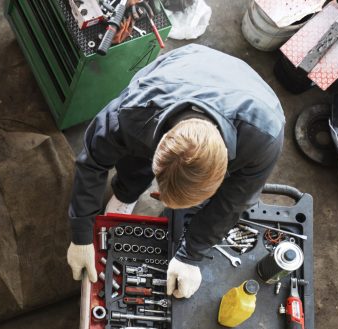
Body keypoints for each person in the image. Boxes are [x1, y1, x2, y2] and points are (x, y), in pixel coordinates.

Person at [66, 44, 285, 298]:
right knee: (133, 161)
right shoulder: (133, 111)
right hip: (186, 65)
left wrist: (191, 255)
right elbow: (92, 161)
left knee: (227, 204)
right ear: (158, 147)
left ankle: (147, 194)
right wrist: (81, 233)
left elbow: (231, 204)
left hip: (250, 95)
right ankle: (127, 192)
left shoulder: (264, 140)